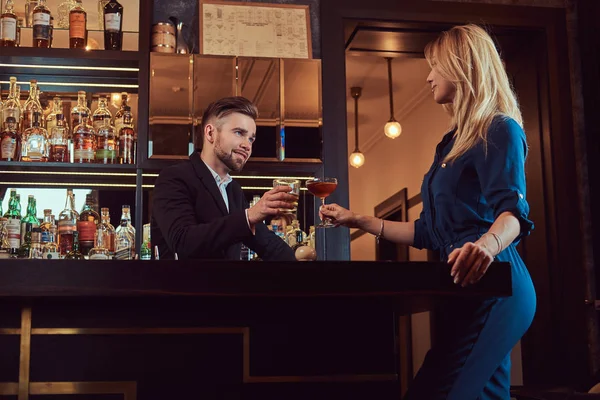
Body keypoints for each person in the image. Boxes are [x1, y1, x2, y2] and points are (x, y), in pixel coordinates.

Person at [321, 24, 536, 400]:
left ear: (461, 66)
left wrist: (486, 246)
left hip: (496, 284)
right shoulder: (453, 143)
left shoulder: (499, 129)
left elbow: (513, 213)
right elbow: (427, 233)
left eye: (435, 66)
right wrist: (358, 220)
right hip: (463, 286)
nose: (428, 77)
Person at [151, 96, 297, 261]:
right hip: (184, 286)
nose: (247, 145)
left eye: (251, 138)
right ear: (210, 133)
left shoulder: (233, 189)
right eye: (239, 133)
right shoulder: (174, 178)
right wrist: (248, 216)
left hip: (227, 287)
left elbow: (269, 244)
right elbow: (183, 242)